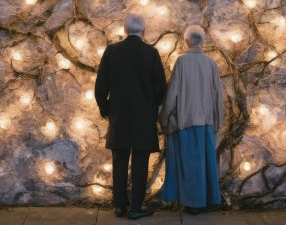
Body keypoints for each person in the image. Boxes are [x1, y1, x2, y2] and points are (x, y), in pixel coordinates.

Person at [94, 13, 167, 220]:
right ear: (143, 30)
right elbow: (160, 87)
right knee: (140, 163)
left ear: (125, 29)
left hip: (119, 115)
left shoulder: (112, 51)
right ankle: (136, 207)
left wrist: (106, 109)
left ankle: (119, 206)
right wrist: (153, 106)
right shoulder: (151, 53)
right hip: (144, 116)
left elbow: (101, 86)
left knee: (119, 161)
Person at [159, 25, 224, 215]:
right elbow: (217, 95)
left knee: (189, 163)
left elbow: (172, 95)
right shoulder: (211, 64)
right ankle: (208, 199)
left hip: (185, 121)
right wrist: (217, 122)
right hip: (206, 122)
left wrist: (163, 118)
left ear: (186, 41)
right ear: (202, 41)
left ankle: (193, 203)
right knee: (206, 163)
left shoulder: (181, 62)